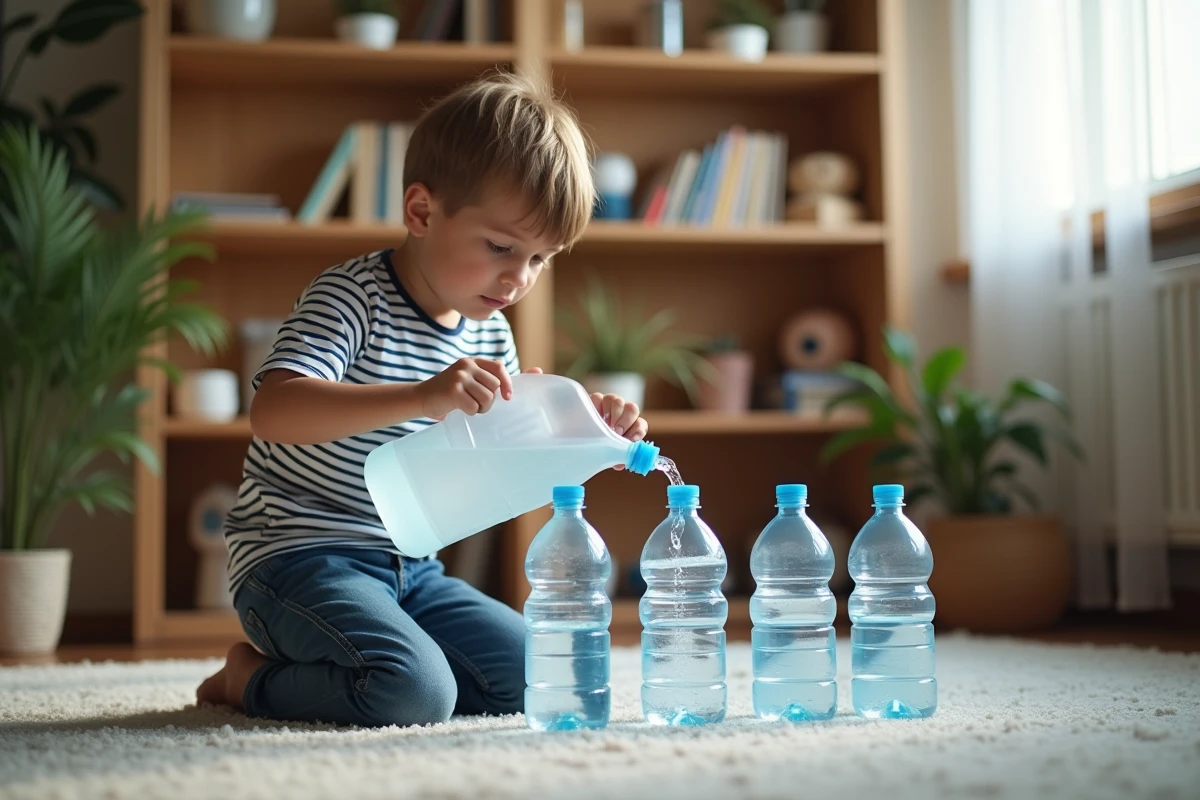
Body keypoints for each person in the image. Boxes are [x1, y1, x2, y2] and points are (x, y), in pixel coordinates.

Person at [195, 72, 649, 727]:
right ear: (421, 212)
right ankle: (249, 680)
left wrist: (583, 439)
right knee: (415, 693)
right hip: (297, 562)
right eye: (500, 248)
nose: (518, 278)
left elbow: (494, 466)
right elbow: (273, 410)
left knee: (546, 676)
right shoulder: (351, 298)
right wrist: (423, 395)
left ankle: (378, 659)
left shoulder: (491, 329)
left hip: (412, 570)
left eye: (541, 259)